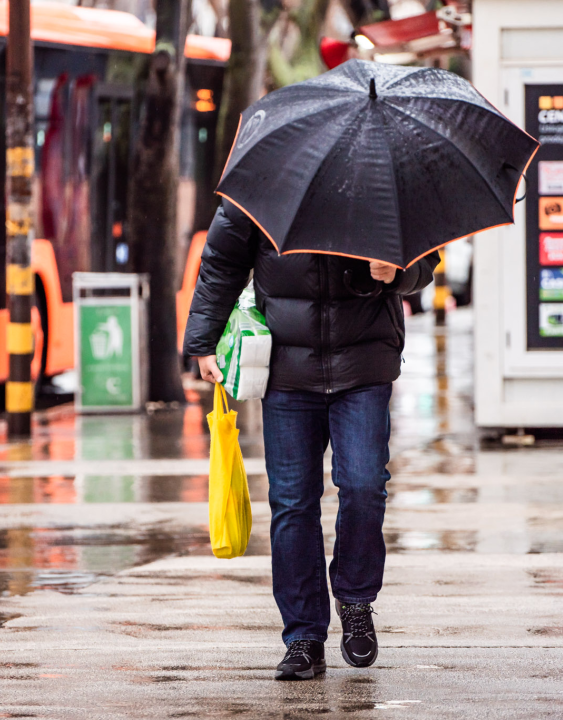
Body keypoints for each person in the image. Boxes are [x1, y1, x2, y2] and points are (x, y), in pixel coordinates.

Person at [183, 199, 439, 681]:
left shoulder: (379, 186)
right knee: (292, 502)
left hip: (364, 364)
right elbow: (221, 262)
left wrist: (397, 273)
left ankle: (356, 599)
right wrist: (202, 340)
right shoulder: (263, 185)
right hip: (286, 367)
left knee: (364, 485)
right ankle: (303, 636)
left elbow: (425, 264)